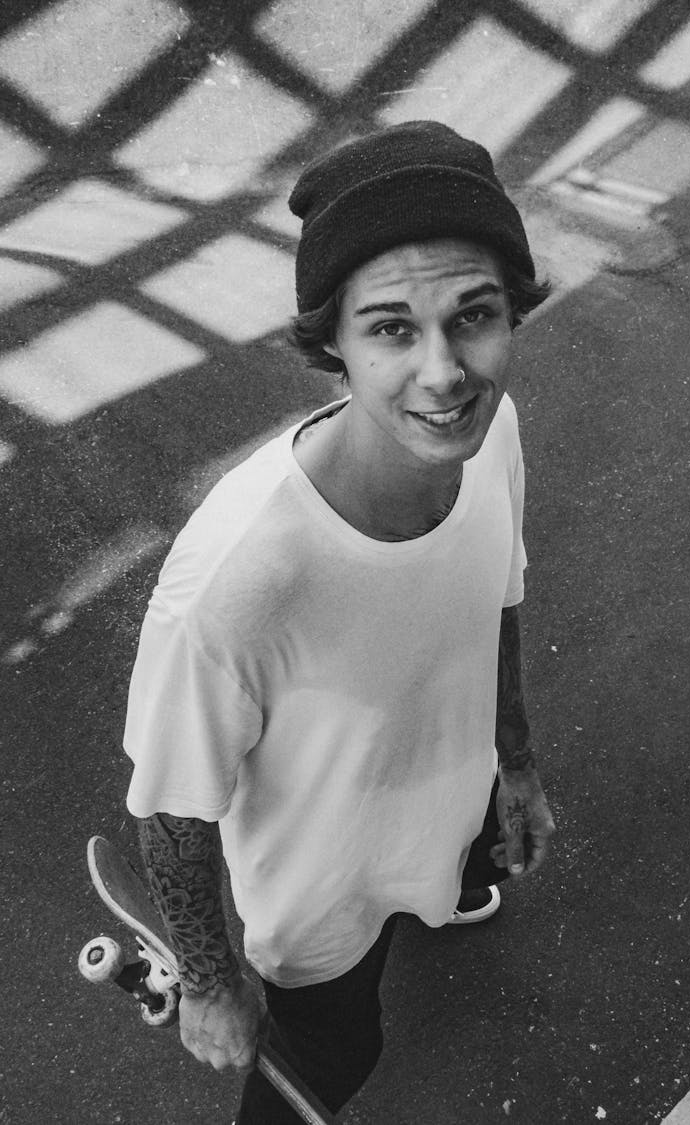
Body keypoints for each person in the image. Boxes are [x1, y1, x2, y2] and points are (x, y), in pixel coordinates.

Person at [123, 119, 557, 1122]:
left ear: (513, 313)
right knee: (332, 1056)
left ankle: (451, 883)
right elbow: (171, 810)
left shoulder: (490, 437)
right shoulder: (239, 583)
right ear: (333, 345)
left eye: (475, 315)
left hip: (447, 806)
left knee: (454, 875)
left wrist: (518, 765)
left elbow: (496, 596)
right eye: (393, 328)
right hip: (323, 906)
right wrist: (209, 979)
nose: (445, 374)